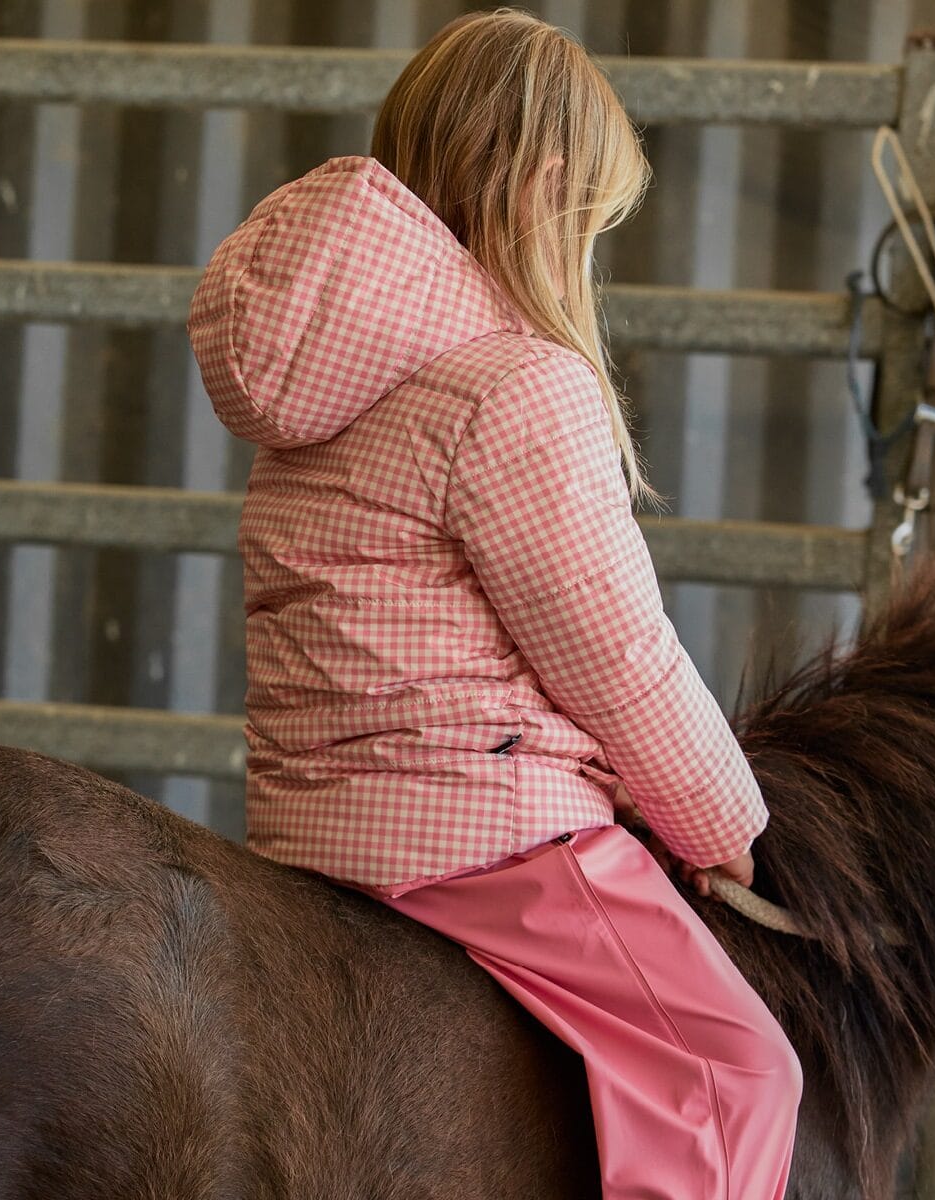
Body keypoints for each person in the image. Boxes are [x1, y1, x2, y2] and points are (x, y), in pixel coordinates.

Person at [188, 7, 802, 1197]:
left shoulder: (334, 373)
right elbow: (614, 653)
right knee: (738, 1076)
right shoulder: (518, 383)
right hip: (481, 831)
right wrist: (726, 827)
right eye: (592, 222)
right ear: (544, 186)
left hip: (315, 819)